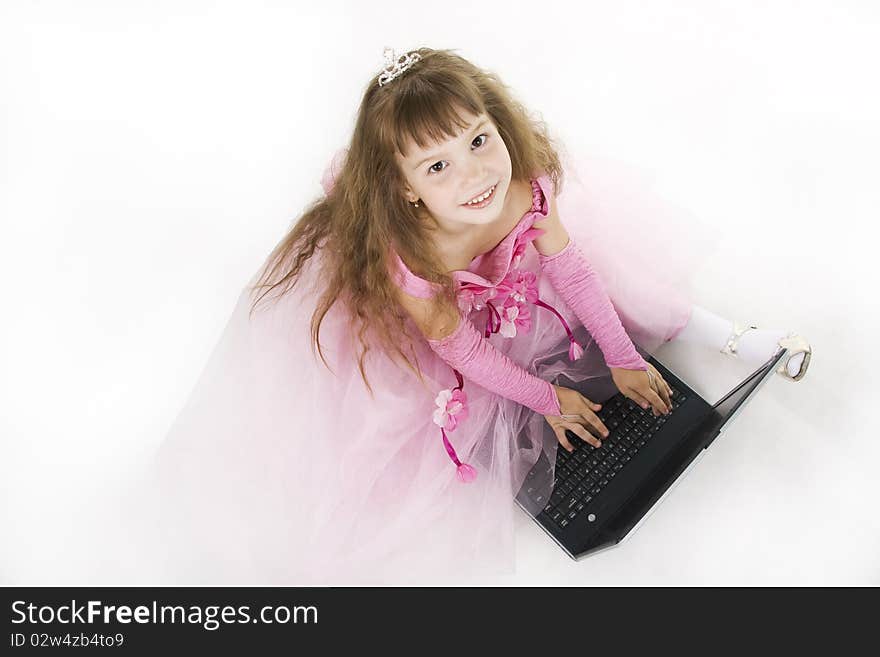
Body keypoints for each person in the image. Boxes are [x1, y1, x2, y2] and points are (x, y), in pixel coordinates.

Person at [114, 47, 811, 586]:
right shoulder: (411, 257)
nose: (475, 175)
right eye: (437, 167)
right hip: (441, 322)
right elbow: (467, 355)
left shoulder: (521, 189)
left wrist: (624, 356)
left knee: (610, 284)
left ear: (496, 124)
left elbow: (568, 267)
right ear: (408, 190)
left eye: (478, 141)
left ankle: (734, 338)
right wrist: (550, 397)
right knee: (426, 413)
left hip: (495, 281)